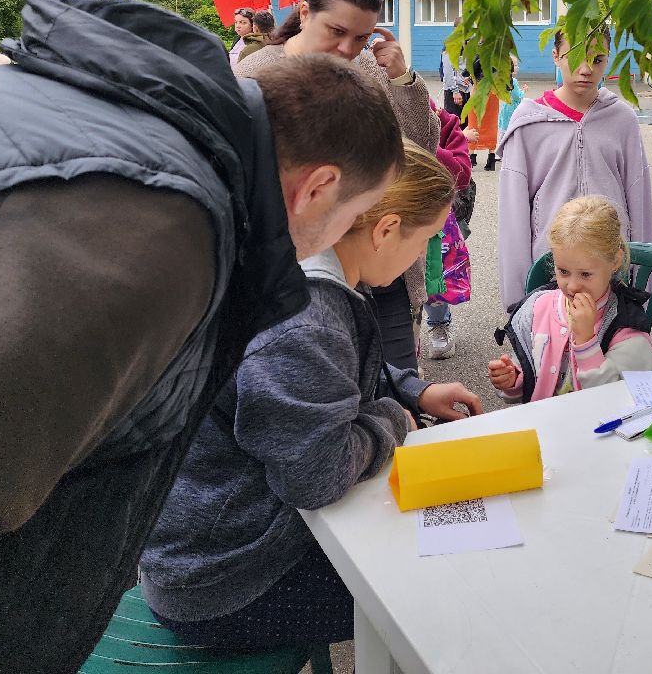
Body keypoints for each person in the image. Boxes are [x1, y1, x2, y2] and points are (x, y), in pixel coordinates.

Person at [0, 0, 404, 672]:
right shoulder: (149, 231)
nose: (344, 236)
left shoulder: (149, 144)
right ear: (318, 188)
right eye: (353, 215)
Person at [141, 143, 482, 652]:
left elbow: (328, 373)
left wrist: (414, 389)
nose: (421, 259)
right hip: (226, 583)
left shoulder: (300, 256)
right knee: (453, 579)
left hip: (221, 541)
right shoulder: (307, 318)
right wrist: (393, 418)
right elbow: (317, 477)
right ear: (386, 229)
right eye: (424, 242)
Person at [238, 0, 439, 371]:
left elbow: (420, 149)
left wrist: (402, 79)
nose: (348, 49)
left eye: (361, 37)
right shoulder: (253, 74)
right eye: (336, 31)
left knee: (395, 375)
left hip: (377, 257)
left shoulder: (371, 69)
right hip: (294, 265)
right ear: (305, 13)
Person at [497, 25, 652, 309]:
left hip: (610, 268)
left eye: (597, 59)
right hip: (552, 272)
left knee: (611, 336)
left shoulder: (622, 120)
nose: (586, 70)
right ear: (556, 56)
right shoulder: (529, 123)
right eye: (575, 57)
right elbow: (513, 216)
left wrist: (642, 282)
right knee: (553, 336)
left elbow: (639, 201)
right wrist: (517, 302)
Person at [489, 195, 652, 402]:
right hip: (545, 419)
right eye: (563, 271)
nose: (573, 285)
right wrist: (513, 380)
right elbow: (528, 377)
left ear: (615, 262)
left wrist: (586, 341)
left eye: (585, 274)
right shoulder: (538, 309)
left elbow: (616, 401)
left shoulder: (626, 328)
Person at [423, 103, 472, 361]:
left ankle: (438, 322)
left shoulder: (434, 114)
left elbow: (461, 172)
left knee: (434, 269)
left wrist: (425, 143)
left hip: (431, 216)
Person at [487, 55, 525, 172]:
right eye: (515, 65)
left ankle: (500, 151)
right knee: (511, 130)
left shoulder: (502, 79)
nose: (517, 67)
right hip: (512, 108)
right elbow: (517, 96)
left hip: (505, 106)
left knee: (503, 129)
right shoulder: (513, 81)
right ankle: (508, 152)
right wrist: (524, 91)